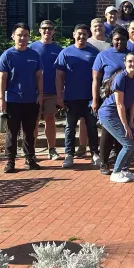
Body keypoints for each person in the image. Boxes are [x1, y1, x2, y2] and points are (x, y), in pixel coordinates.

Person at [0, 23, 43, 173]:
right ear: (13, 36)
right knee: (12, 131)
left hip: (31, 100)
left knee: (29, 131)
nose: (22, 38)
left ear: (29, 37)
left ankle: (30, 159)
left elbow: (39, 76)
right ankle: (10, 162)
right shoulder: (7, 55)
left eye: (25, 35)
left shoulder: (34, 55)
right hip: (13, 100)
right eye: (19, 35)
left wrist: (40, 95)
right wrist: (1, 99)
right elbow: (2, 79)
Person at [55, 25, 100, 168]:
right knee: (70, 127)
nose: (82, 37)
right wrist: (59, 96)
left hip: (89, 98)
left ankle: (95, 153)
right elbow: (59, 76)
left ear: (88, 35)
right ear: (74, 34)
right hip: (71, 97)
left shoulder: (94, 53)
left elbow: (98, 77)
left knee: (92, 127)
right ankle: (69, 155)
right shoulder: (65, 53)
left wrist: (96, 98)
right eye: (79, 34)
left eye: (85, 34)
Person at [97, 52, 134, 183]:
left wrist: (131, 122)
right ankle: (116, 172)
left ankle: (125, 170)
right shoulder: (121, 78)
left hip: (122, 115)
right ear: (125, 62)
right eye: (129, 61)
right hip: (109, 114)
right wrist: (125, 125)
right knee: (128, 144)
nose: (132, 64)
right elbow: (119, 104)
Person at [91, 29, 129, 171]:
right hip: (109, 101)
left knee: (123, 131)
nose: (119, 42)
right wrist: (95, 99)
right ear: (112, 40)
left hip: (127, 100)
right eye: (116, 39)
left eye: (123, 39)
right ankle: (104, 162)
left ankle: (120, 164)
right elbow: (96, 79)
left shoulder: (131, 55)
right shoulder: (103, 55)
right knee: (107, 131)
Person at [29, 20, 63, 161]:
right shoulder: (31, 48)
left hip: (51, 91)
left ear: (54, 31)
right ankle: (31, 151)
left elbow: (62, 73)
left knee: (50, 119)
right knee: (34, 121)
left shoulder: (59, 50)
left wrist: (61, 92)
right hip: (34, 92)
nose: (47, 31)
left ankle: (52, 149)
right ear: (39, 30)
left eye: (50, 28)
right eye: (44, 28)